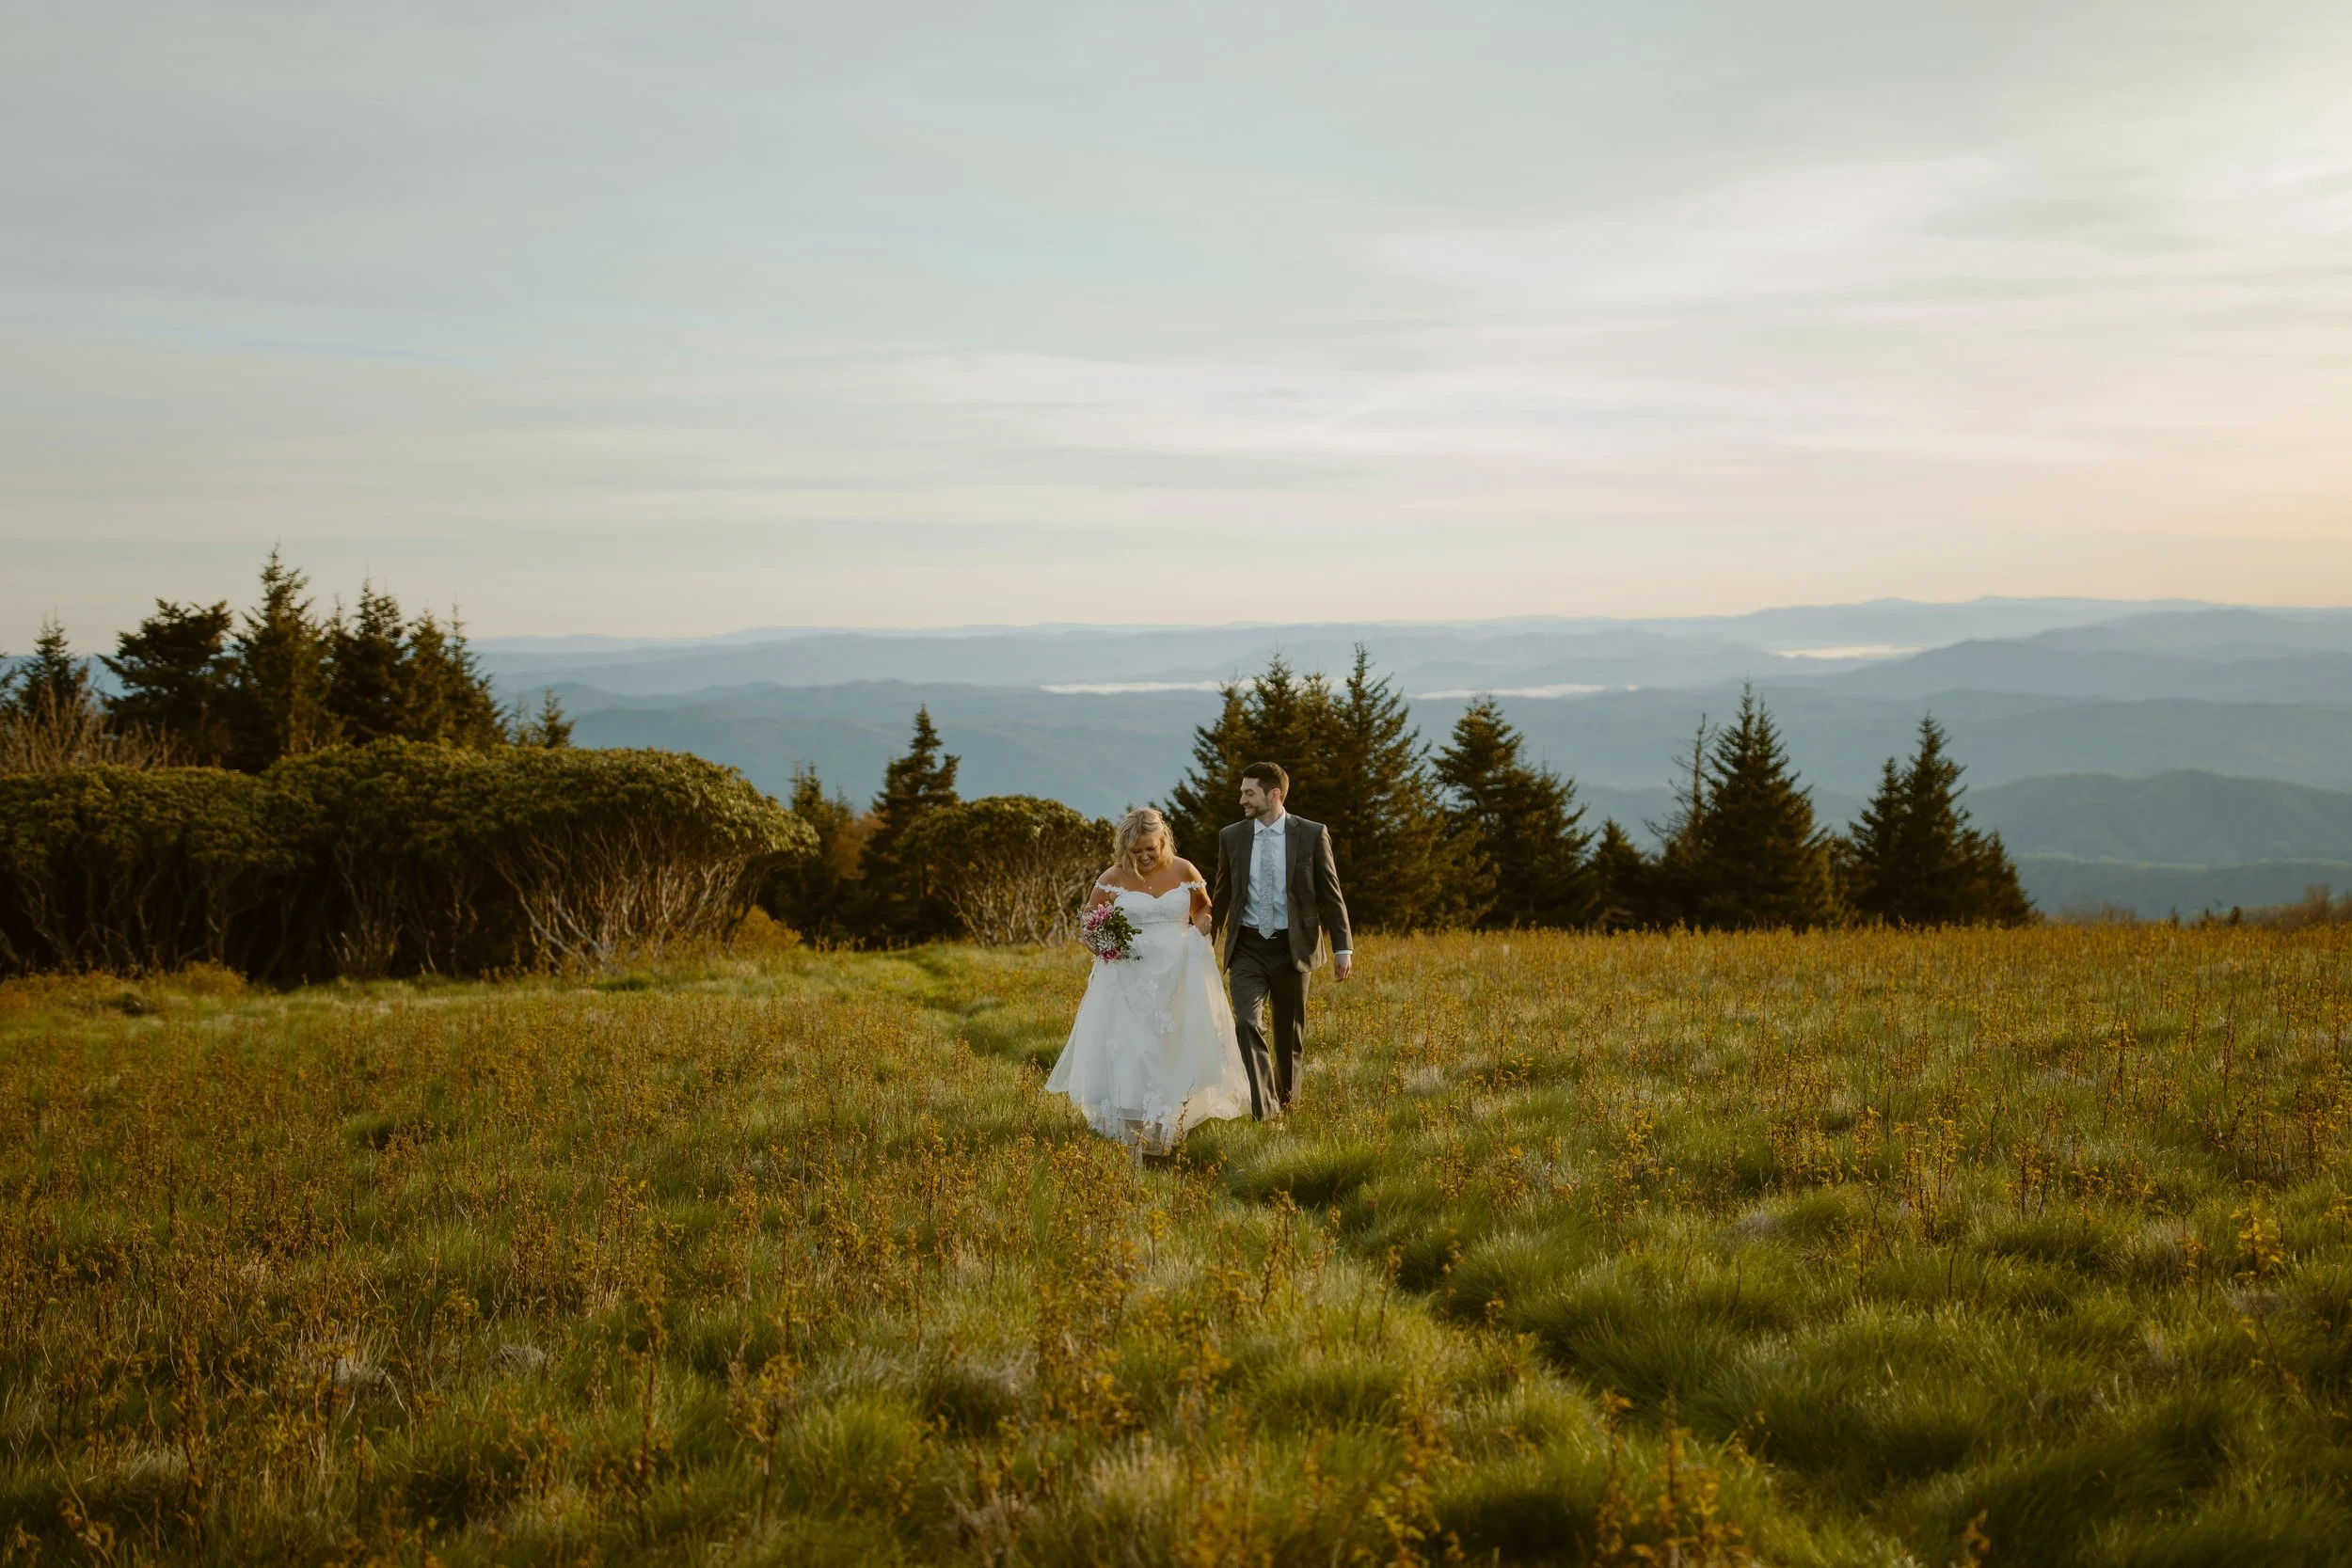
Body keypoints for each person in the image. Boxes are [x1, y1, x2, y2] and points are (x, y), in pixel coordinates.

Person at [1045, 807, 1255, 1152]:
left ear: (1162, 842)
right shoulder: (1113, 877)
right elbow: (1089, 920)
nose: (1143, 857)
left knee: (1169, 1049)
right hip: (1129, 977)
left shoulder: (1183, 869)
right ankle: (1131, 1135)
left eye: (1150, 849)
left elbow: (1203, 907)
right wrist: (1101, 944)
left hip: (1177, 974)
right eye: (1136, 851)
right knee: (1134, 1049)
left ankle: (1166, 1125)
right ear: (1125, 848)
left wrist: (1202, 924)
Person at [1211, 762, 1351, 1117]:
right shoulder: (1232, 836)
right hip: (1247, 947)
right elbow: (1223, 892)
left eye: (1249, 792)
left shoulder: (1312, 833)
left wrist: (1342, 946)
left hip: (1294, 948)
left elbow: (1330, 893)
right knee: (1246, 1022)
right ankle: (1266, 1111)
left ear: (1274, 794)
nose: (1241, 798)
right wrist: (1205, 940)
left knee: (1289, 1037)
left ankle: (1287, 1107)